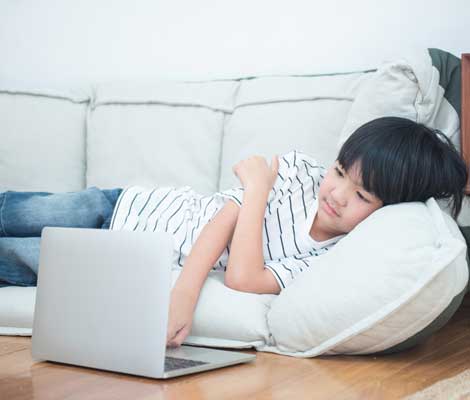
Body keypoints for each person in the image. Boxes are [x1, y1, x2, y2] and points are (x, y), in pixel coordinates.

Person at [0, 117, 467, 347]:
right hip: (131, 204)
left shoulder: (325, 259)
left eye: (363, 196)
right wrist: (186, 290)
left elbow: (245, 277)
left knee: (22, 259)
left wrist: (258, 185)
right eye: (341, 170)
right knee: (23, 209)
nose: (338, 193)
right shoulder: (304, 172)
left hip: (129, 251)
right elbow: (226, 215)